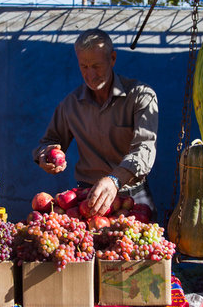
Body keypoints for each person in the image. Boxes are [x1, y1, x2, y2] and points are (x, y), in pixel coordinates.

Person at [32, 29, 158, 218]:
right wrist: (45, 156)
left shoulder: (141, 96)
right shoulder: (71, 104)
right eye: (84, 66)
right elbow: (49, 141)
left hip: (132, 198)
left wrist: (115, 179)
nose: (90, 74)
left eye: (96, 66)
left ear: (112, 59)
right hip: (87, 200)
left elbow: (144, 149)